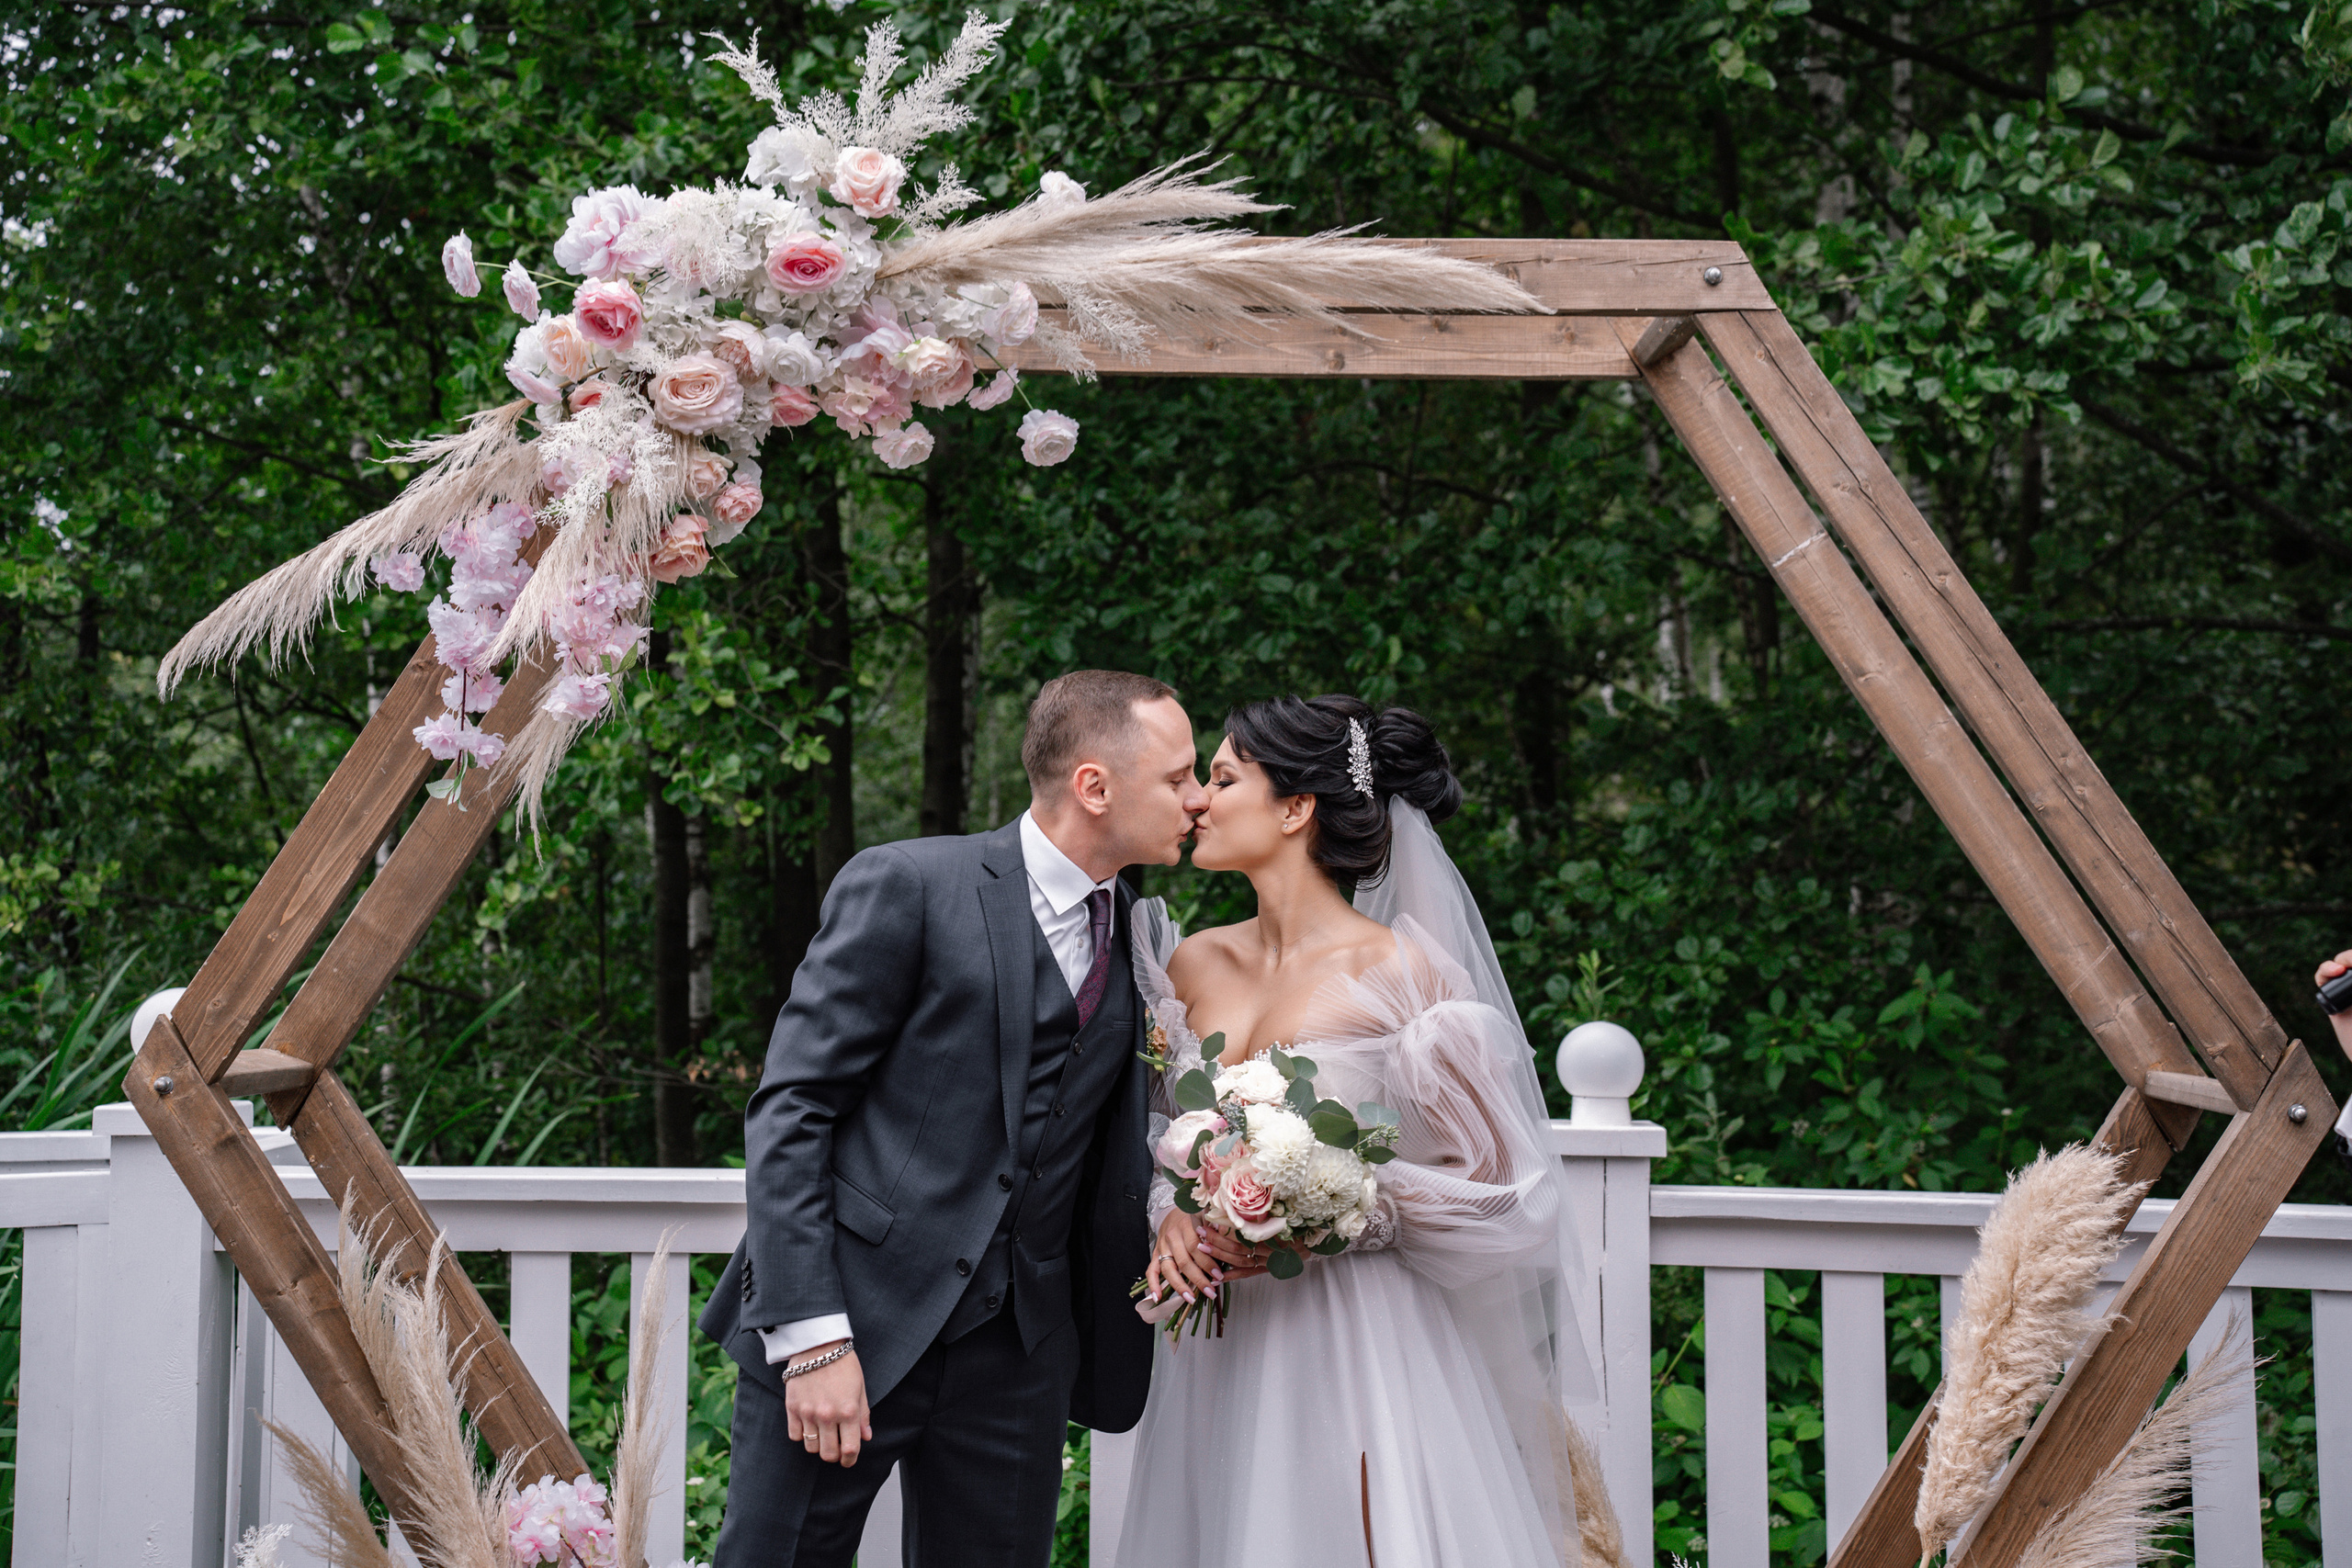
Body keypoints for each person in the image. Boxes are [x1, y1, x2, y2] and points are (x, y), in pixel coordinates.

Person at [698, 669, 1208, 1567]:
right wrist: (813, 1341)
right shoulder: (908, 886)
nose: (1197, 798)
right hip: (852, 1327)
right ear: (1094, 785)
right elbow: (792, 1113)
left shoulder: (1133, 932)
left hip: (1019, 1356)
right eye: (1178, 776)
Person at [1115, 694, 1598, 1567]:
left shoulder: (1402, 974)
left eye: (1221, 779)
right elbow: (1157, 1139)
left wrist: (1342, 1210)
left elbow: (1508, 1196)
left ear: (1295, 808)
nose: (1197, 801)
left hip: (1356, 1335)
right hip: (1223, 1340)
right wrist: (1174, 1215)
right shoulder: (1188, 964)